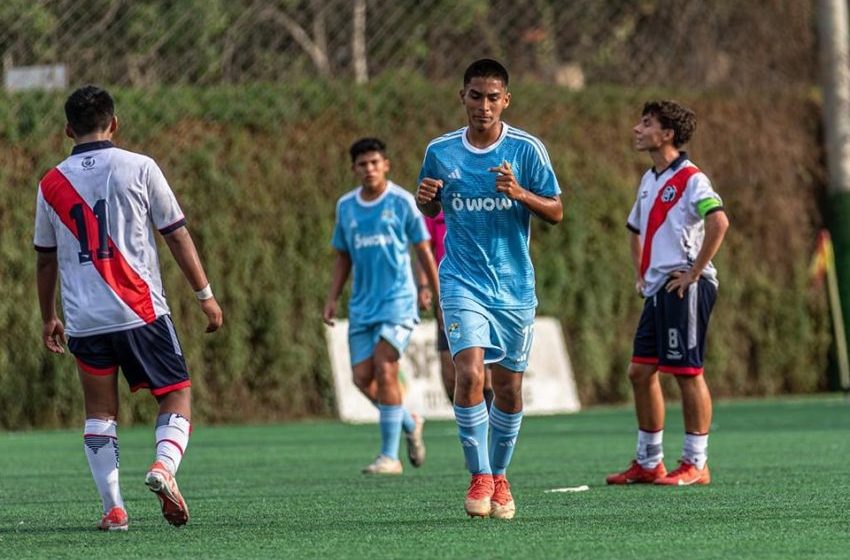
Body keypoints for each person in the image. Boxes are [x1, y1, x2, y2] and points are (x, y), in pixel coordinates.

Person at [34, 86, 223, 531]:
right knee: (175, 393)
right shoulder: (140, 167)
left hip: (84, 319)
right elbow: (175, 234)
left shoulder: (51, 183)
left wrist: (48, 316)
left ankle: (114, 509)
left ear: (67, 130)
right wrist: (205, 295)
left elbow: (44, 257)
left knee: (100, 413)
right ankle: (163, 468)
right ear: (113, 124)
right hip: (141, 311)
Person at [416, 59, 562, 518]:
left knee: (509, 388)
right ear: (462, 97)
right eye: (475, 96)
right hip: (460, 280)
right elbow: (431, 202)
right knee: (469, 374)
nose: (483, 106)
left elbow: (556, 210)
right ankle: (479, 473)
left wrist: (521, 194)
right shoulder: (440, 151)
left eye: (493, 97)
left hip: (514, 288)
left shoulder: (526, 150)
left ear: (506, 100)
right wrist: (427, 200)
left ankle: (500, 477)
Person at [606, 100, 729, 486]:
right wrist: (642, 275)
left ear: (667, 135)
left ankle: (697, 462)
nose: (637, 129)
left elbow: (719, 222)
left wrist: (694, 273)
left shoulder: (692, 178)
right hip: (659, 289)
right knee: (640, 372)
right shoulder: (649, 180)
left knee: (687, 373)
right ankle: (648, 461)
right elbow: (635, 230)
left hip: (684, 287)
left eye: (646, 123)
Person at [323, 137, 440, 475]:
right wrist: (332, 298)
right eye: (363, 164)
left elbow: (423, 250)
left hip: (398, 302)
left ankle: (389, 456)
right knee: (362, 378)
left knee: (386, 367)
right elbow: (343, 256)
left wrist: (432, 292)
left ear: (386, 164)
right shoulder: (346, 206)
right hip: (362, 306)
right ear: (354, 169)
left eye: (375, 162)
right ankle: (409, 419)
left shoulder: (403, 202)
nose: (369, 169)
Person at [416, 211, 495, 410]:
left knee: (479, 371)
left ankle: (487, 429)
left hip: (480, 295)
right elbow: (424, 249)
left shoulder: (479, 203)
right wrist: (424, 286)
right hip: (447, 297)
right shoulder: (435, 209)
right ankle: (471, 423)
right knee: (450, 376)